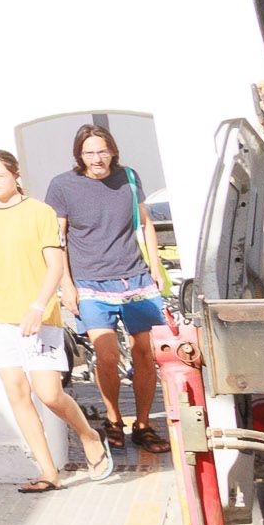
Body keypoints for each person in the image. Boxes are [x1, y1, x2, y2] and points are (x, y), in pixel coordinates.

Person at [0, 147, 103, 493]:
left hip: (38, 316)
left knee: (50, 394)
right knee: (17, 393)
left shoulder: (40, 212)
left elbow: (54, 266)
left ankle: (89, 435)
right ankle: (47, 471)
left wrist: (38, 307)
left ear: (15, 174)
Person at [40, 122, 165, 452]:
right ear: (79, 155)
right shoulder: (63, 186)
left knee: (145, 353)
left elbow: (146, 223)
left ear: (112, 151)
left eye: (102, 151)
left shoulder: (130, 178)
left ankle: (143, 424)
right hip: (90, 282)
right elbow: (58, 239)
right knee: (107, 354)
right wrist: (66, 285)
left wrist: (156, 267)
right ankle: (113, 419)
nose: (97, 158)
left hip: (134, 276)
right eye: (89, 152)